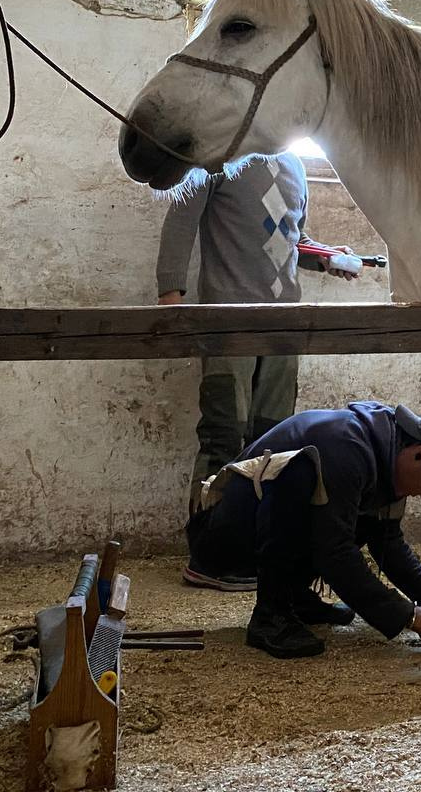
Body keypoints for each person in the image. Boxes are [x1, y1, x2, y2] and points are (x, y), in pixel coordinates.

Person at [156, 152, 358, 591]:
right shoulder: (216, 158)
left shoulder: (296, 168)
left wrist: (324, 256)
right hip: (228, 318)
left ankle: (251, 547)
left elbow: (288, 239)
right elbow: (181, 217)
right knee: (225, 432)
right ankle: (207, 554)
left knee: (273, 439)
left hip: (284, 324)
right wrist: (171, 296)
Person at [186, 401, 421, 659]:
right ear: (419, 455)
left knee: (348, 514)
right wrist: (406, 616)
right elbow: (335, 552)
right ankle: (271, 616)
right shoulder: (348, 448)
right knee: (301, 472)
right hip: (219, 541)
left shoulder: (386, 452)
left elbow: (389, 543)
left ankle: (294, 598)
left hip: (250, 529)